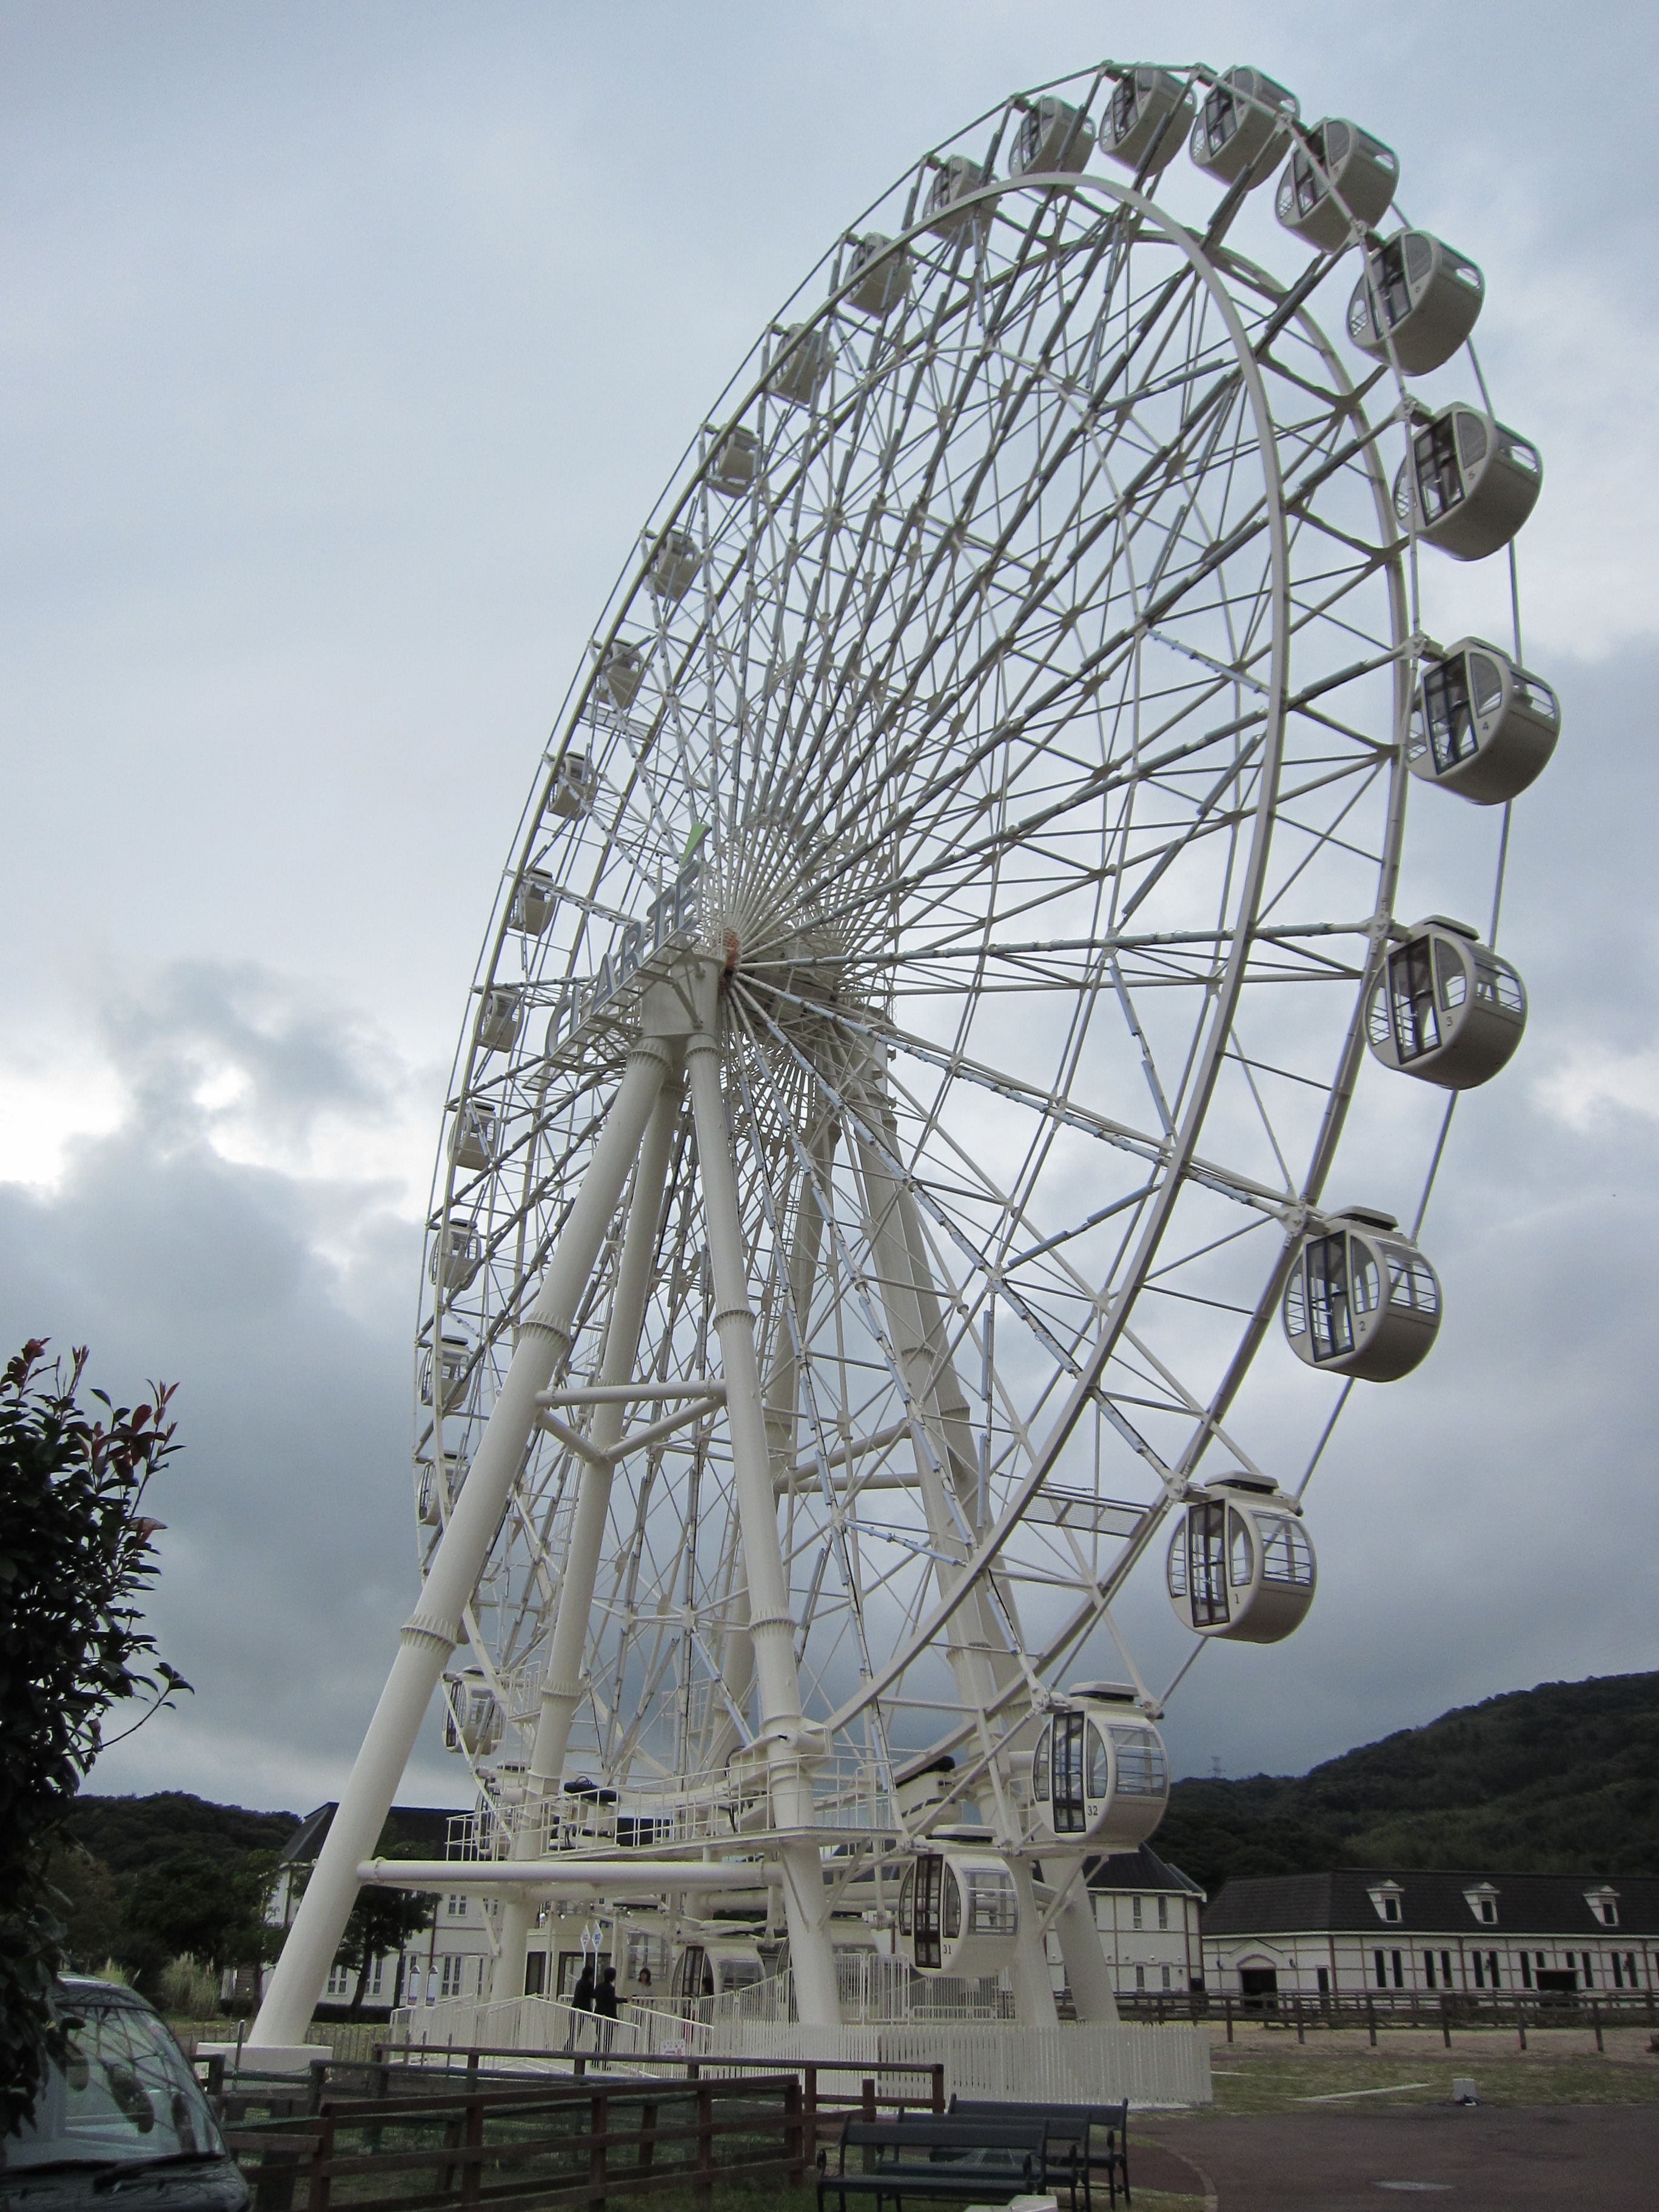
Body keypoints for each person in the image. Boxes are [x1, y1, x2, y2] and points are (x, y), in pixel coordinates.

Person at [595, 1964, 619, 2054]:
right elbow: (612, 2000)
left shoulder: (598, 1986)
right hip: (608, 2017)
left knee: (600, 2039)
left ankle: (595, 2060)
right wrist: (625, 2000)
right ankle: (604, 2062)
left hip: (598, 2015)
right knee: (607, 2041)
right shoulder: (611, 1988)